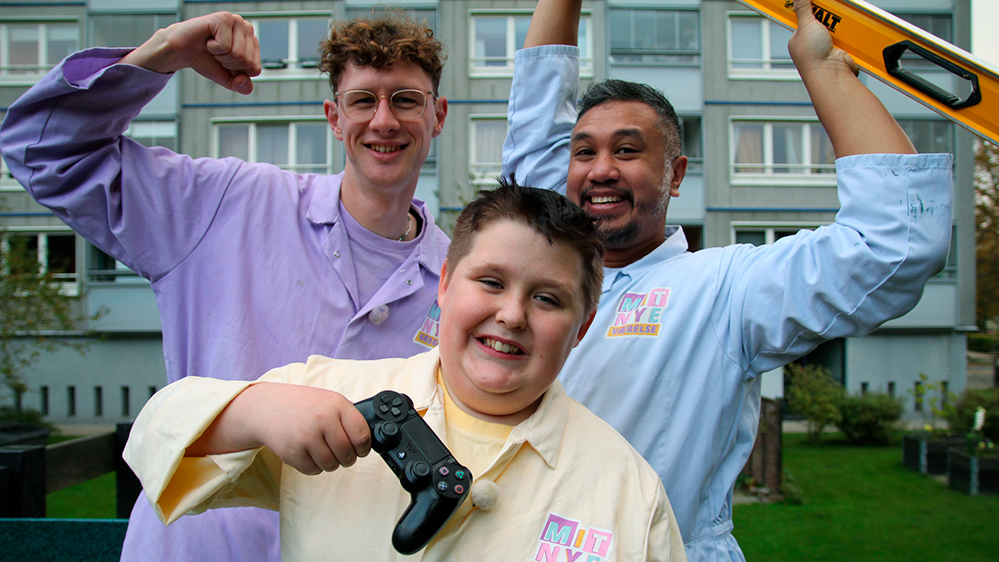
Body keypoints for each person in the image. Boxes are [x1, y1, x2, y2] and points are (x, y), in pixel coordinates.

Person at [502, 1, 954, 560]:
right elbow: (537, 121)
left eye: (627, 150)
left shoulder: (723, 290)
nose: (601, 170)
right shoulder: (547, 270)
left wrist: (826, 70)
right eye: (584, 152)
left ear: (675, 175)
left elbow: (893, 243)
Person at [0, 11, 450, 562]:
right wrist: (164, 52)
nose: (383, 120)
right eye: (362, 101)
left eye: (405, 99)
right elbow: (44, 151)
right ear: (334, 118)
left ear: (437, 116)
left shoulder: (459, 283)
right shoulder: (223, 203)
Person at [123, 180, 687, 561]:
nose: (512, 315)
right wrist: (252, 410)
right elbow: (155, 439)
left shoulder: (631, 493)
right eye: (490, 282)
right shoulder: (329, 396)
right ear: (444, 286)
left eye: (547, 299)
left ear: (582, 327)